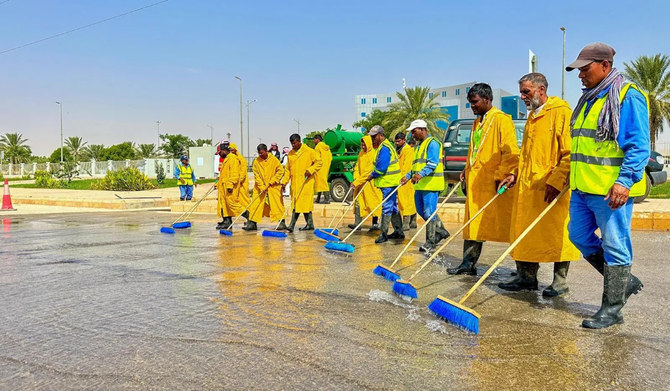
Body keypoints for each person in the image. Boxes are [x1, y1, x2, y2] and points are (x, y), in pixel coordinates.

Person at [565, 43, 649, 329]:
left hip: (610, 190)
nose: (580, 76)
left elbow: (639, 145)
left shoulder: (627, 96)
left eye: (584, 69)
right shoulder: (589, 98)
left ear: (604, 65)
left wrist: (625, 182)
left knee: (615, 245)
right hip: (582, 188)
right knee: (577, 236)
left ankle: (612, 309)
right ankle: (624, 283)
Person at [495, 73, 580, 295]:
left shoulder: (561, 113)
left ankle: (559, 282)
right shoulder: (532, 117)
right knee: (525, 232)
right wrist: (514, 174)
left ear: (541, 90)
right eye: (521, 92)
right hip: (527, 189)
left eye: (527, 91)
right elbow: (527, 154)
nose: (522, 96)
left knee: (556, 233)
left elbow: (570, 153)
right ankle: (526, 278)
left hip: (551, 189)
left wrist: (557, 180)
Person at [448, 83, 519, 274]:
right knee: (473, 224)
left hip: (493, 184)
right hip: (476, 182)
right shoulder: (477, 122)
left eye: (475, 102)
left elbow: (511, 152)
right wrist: (466, 168)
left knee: (510, 225)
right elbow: (474, 151)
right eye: (470, 103)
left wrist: (505, 175)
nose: (472, 106)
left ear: (487, 100)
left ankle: (525, 272)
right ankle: (467, 264)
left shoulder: (501, 120)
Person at [400, 120, 449, 252]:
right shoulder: (418, 146)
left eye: (414, 131)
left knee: (429, 212)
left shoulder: (432, 143)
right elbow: (416, 166)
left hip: (431, 184)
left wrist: (420, 174)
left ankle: (430, 241)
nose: (412, 135)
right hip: (420, 185)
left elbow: (432, 164)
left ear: (422, 129)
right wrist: (408, 176)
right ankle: (442, 231)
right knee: (422, 211)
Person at [366, 125, 404, 244]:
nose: (372, 138)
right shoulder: (385, 146)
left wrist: (372, 175)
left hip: (389, 182)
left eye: (374, 136)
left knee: (387, 207)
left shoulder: (385, 148)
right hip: (389, 182)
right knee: (392, 207)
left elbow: (381, 168)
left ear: (381, 136)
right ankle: (399, 231)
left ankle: (383, 234)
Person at [281, 134, 322, 232]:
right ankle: (310, 224)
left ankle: (291, 225)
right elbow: (287, 170)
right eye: (292, 143)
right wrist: (284, 182)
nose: (293, 145)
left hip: (306, 183)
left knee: (301, 205)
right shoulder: (290, 154)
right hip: (295, 183)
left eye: (295, 143)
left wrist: (310, 170)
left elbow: (319, 162)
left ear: (299, 141)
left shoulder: (309, 151)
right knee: (299, 204)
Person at [243, 144, 287, 231]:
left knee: (277, 204)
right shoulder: (256, 162)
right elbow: (257, 176)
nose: (260, 155)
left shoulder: (274, 160)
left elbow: (280, 171)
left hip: (273, 186)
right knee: (256, 204)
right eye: (259, 153)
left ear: (266, 151)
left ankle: (281, 222)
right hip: (260, 187)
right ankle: (252, 223)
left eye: (262, 153)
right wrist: (261, 186)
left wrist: (272, 181)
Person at [348, 135, 382, 231]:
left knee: (373, 202)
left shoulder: (373, 154)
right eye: (362, 145)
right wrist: (355, 179)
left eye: (364, 145)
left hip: (370, 183)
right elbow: (357, 167)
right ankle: (357, 223)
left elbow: (368, 171)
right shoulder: (361, 153)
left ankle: (375, 224)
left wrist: (358, 181)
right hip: (360, 183)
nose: (363, 147)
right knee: (359, 202)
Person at [394, 132, 417, 230]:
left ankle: (407, 223)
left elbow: (407, 166)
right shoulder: (398, 150)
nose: (397, 143)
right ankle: (412, 222)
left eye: (399, 141)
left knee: (406, 201)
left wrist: (404, 178)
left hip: (406, 179)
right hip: (400, 177)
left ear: (404, 140)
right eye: (396, 142)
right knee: (406, 201)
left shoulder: (408, 150)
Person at [216, 145, 242, 229]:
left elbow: (234, 173)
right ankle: (227, 222)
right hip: (223, 186)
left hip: (230, 187)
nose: (219, 154)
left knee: (233, 204)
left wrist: (230, 185)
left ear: (224, 150)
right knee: (224, 204)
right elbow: (224, 174)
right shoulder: (227, 159)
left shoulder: (233, 159)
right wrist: (218, 184)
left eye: (220, 152)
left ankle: (250, 219)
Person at [229, 143, 250, 222]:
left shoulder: (241, 159)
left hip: (241, 184)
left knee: (244, 201)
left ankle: (250, 219)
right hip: (236, 184)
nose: (230, 151)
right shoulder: (232, 159)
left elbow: (243, 172)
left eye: (231, 150)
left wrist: (238, 181)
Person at [313, 134, 333, 204]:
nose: (313, 141)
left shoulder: (318, 147)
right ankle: (318, 199)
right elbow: (330, 157)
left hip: (319, 168)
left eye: (314, 139)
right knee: (322, 183)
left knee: (321, 183)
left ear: (317, 139)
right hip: (326, 167)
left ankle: (327, 199)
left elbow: (316, 158)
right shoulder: (326, 147)